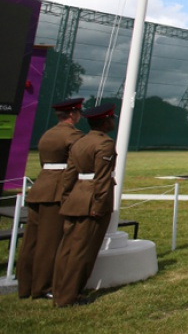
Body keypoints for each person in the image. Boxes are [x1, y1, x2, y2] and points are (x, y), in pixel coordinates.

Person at [17, 98, 84, 300]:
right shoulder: (73, 136)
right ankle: (43, 286)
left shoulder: (48, 134)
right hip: (56, 190)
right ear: (73, 114)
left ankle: (26, 285)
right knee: (50, 241)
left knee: (31, 240)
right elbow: (76, 165)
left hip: (40, 187)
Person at [52, 103, 117, 307]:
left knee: (67, 249)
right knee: (83, 252)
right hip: (91, 202)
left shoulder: (80, 142)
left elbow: (69, 176)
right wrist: (100, 205)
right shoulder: (104, 144)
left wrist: (67, 199)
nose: (113, 121)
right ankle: (69, 296)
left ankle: (59, 290)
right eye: (111, 119)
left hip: (75, 200)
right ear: (105, 122)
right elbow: (102, 179)